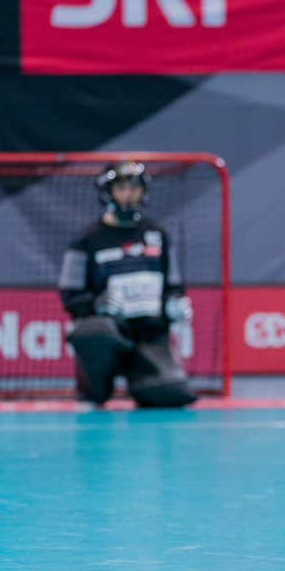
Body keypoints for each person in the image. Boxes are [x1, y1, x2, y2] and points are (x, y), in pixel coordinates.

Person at [58, 160, 197, 407]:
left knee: (172, 394)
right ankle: (96, 386)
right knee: (90, 336)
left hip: (149, 334)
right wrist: (95, 305)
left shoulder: (158, 235)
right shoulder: (86, 240)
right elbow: (70, 295)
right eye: (122, 188)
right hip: (108, 331)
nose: (129, 194)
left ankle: (145, 377)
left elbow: (174, 285)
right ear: (108, 192)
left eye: (136, 188)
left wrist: (173, 304)